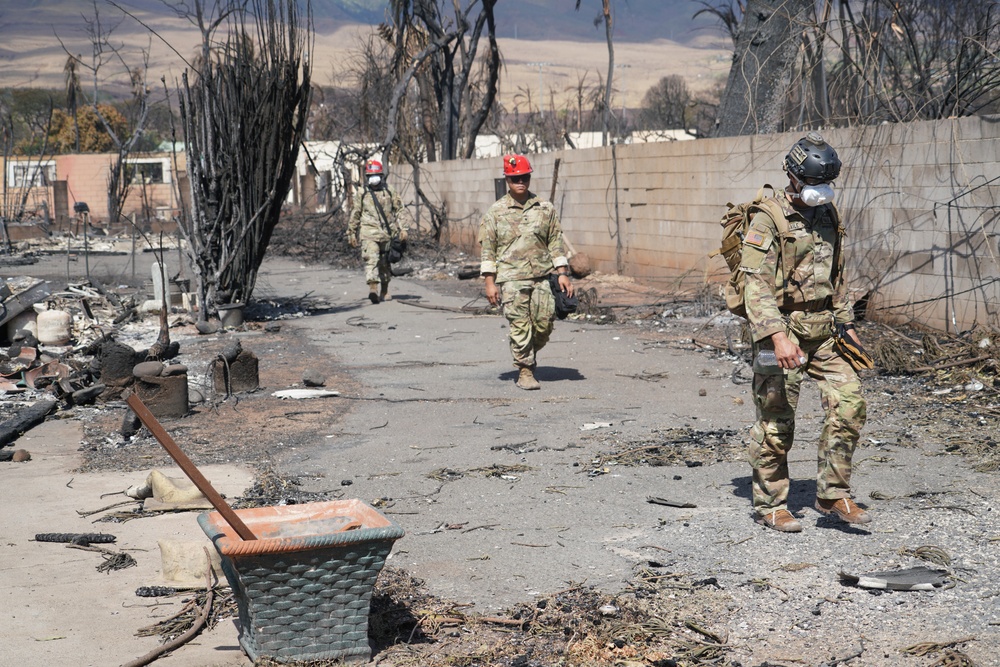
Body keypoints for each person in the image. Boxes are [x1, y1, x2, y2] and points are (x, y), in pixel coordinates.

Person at [739, 132, 869, 533]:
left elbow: (838, 276)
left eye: (826, 182)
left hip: (825, 331)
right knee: (777, 423)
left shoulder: (829, 215)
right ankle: (771, 504)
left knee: (849, 404)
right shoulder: (768, 218)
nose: (821, 190)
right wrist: (776, 336)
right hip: (784, 330)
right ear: (793, 176)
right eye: (814, 182)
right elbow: (754, 283)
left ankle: (832, 492)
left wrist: (847, 324)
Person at [479, 154, 574, 390]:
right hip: (511, 278)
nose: (520, 182)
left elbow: (555, 241)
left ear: (529, 177)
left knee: (544, 324)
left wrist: (562, 272)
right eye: (514, 178)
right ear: (507, 181)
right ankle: (525, 369)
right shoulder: (496, 212)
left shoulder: (544, 208)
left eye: (524, 177)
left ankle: (528, 352)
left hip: (542, 276)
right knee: (520, 324)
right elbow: (488, 249)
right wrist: (490, 282)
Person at [347, 159, 409, 304]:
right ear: (367, 177)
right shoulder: (362, 193)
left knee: (384, 263)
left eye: (376, 175)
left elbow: (399, 210)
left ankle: (385, 290)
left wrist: (403, 229)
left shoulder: (389, 191)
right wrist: (351, 232)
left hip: (387, 234)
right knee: (371, 260)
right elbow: (356, 213)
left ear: (381, 175)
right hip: (369, 234)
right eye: (370, 175)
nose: (373, 178)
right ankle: (373, 288)